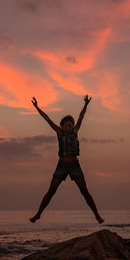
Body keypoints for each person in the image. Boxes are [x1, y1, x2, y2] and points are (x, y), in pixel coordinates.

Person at [29, 94, 104, 224]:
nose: (69, 127)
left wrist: (86, 105)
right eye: (67, 125)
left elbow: (81, 117)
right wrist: (37, 107)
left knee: (84, 191)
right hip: (62, 165)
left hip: (75, 165)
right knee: (51, 191)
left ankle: (97, 215)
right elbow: (47, 118)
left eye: (71, 125)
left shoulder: (75, 132)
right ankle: (38, 214)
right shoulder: (59, 132)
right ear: (62, 126)